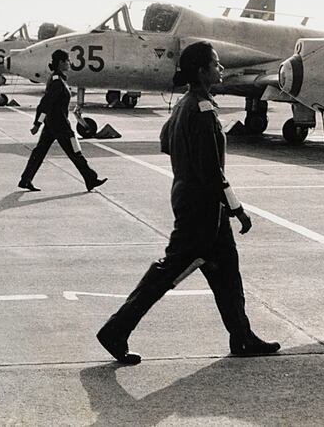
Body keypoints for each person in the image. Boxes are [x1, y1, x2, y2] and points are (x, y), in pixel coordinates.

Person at [96, 41, 279, 365]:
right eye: (216, 63)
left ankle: (242, 337)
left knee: (227, 274)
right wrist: (237, 208)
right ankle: (115, 330)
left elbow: (166, 142)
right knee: (166, 274)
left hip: (193, 200)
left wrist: (187, 160)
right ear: (201, 70)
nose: (221, 69)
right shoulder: (203, 110)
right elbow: (212, 171)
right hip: (202, 208)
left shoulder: (185, 104)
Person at [18, 49, 107, 192]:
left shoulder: (58, 80)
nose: (69, 63)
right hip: (60, 125)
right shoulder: (57, 82)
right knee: (75, 151)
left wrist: (41, 123)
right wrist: (37, 123)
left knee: (40, 152)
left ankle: (25, 179)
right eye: (67, 61)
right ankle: (90, 178)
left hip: (52, 125)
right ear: (60, 63)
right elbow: (45, 104)